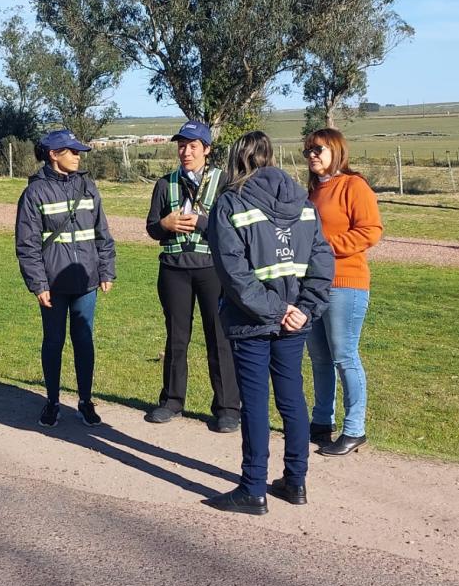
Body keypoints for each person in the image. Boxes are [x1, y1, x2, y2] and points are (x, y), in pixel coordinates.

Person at [205, 131, 334, 515]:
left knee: (256, 402)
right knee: (292, 397)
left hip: (253, 321)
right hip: (294, 319)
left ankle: (253, 487)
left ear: (237, 159)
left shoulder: (230, 202)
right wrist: (305, 309)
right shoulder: (303, 201)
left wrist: (278, 311)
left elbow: (234, 273)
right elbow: (322, 262)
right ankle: (295, 481)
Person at [15, 129, 116, 428]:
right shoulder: (34, 193)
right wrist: (38, 284)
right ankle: (52, 402)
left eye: (78, 151)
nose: (77, 156)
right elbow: (27, 244)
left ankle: (85, 401)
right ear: (53, 154)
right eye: (71, 151)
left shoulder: (88, 187)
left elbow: (103, 233)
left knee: (84, 340)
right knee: (54, 341)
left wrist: (106, 269)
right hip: (53, 285)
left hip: (87, 280)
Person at [145, 120, 240, 432]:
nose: (186, 152)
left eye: (193, 146)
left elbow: (234, 227)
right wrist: (166, 226)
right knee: (177, 337)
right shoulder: (165, 183)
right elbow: (151, 228)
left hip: (212, 269)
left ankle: (227, 408)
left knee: (219, 337)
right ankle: (171, 401)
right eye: (182, 146)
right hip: (174, 269)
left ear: (207, 150)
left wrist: (200, 223)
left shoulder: (224, 182)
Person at [303, 128, 383, 456]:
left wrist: (323, 248)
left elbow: (370, 230)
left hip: (345, 283)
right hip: (314, 285)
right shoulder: (313, 191)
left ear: (336, 150)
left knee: (343, 356)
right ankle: (322, 421)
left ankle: (355, 429)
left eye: (318, 149)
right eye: (307, 150)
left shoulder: (354, 185)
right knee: (319, 358)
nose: (311, 155)